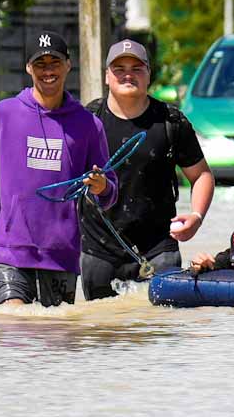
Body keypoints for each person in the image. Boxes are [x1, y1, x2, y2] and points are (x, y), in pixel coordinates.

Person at [0, 31, 118, 307]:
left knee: (56, 341)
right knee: (14, 324)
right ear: (28, 68)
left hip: (62, 255)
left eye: (54, 62)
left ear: (68, 65)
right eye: (40, 64)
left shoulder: (89, 125)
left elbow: (110, 193)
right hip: (10, 252)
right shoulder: (1, 116)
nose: (48, 71)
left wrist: (102, 187)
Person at [80, 38, 215, 299]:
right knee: (98, 332)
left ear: (148, 75)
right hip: (99, 250)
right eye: (119, 69)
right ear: (107, 76)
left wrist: (196, 217)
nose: (128, 75)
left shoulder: (170, 121)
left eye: (136, 68)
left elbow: (201, 175)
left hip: (159, 249)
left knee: (159, 332)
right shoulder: (87, 120)